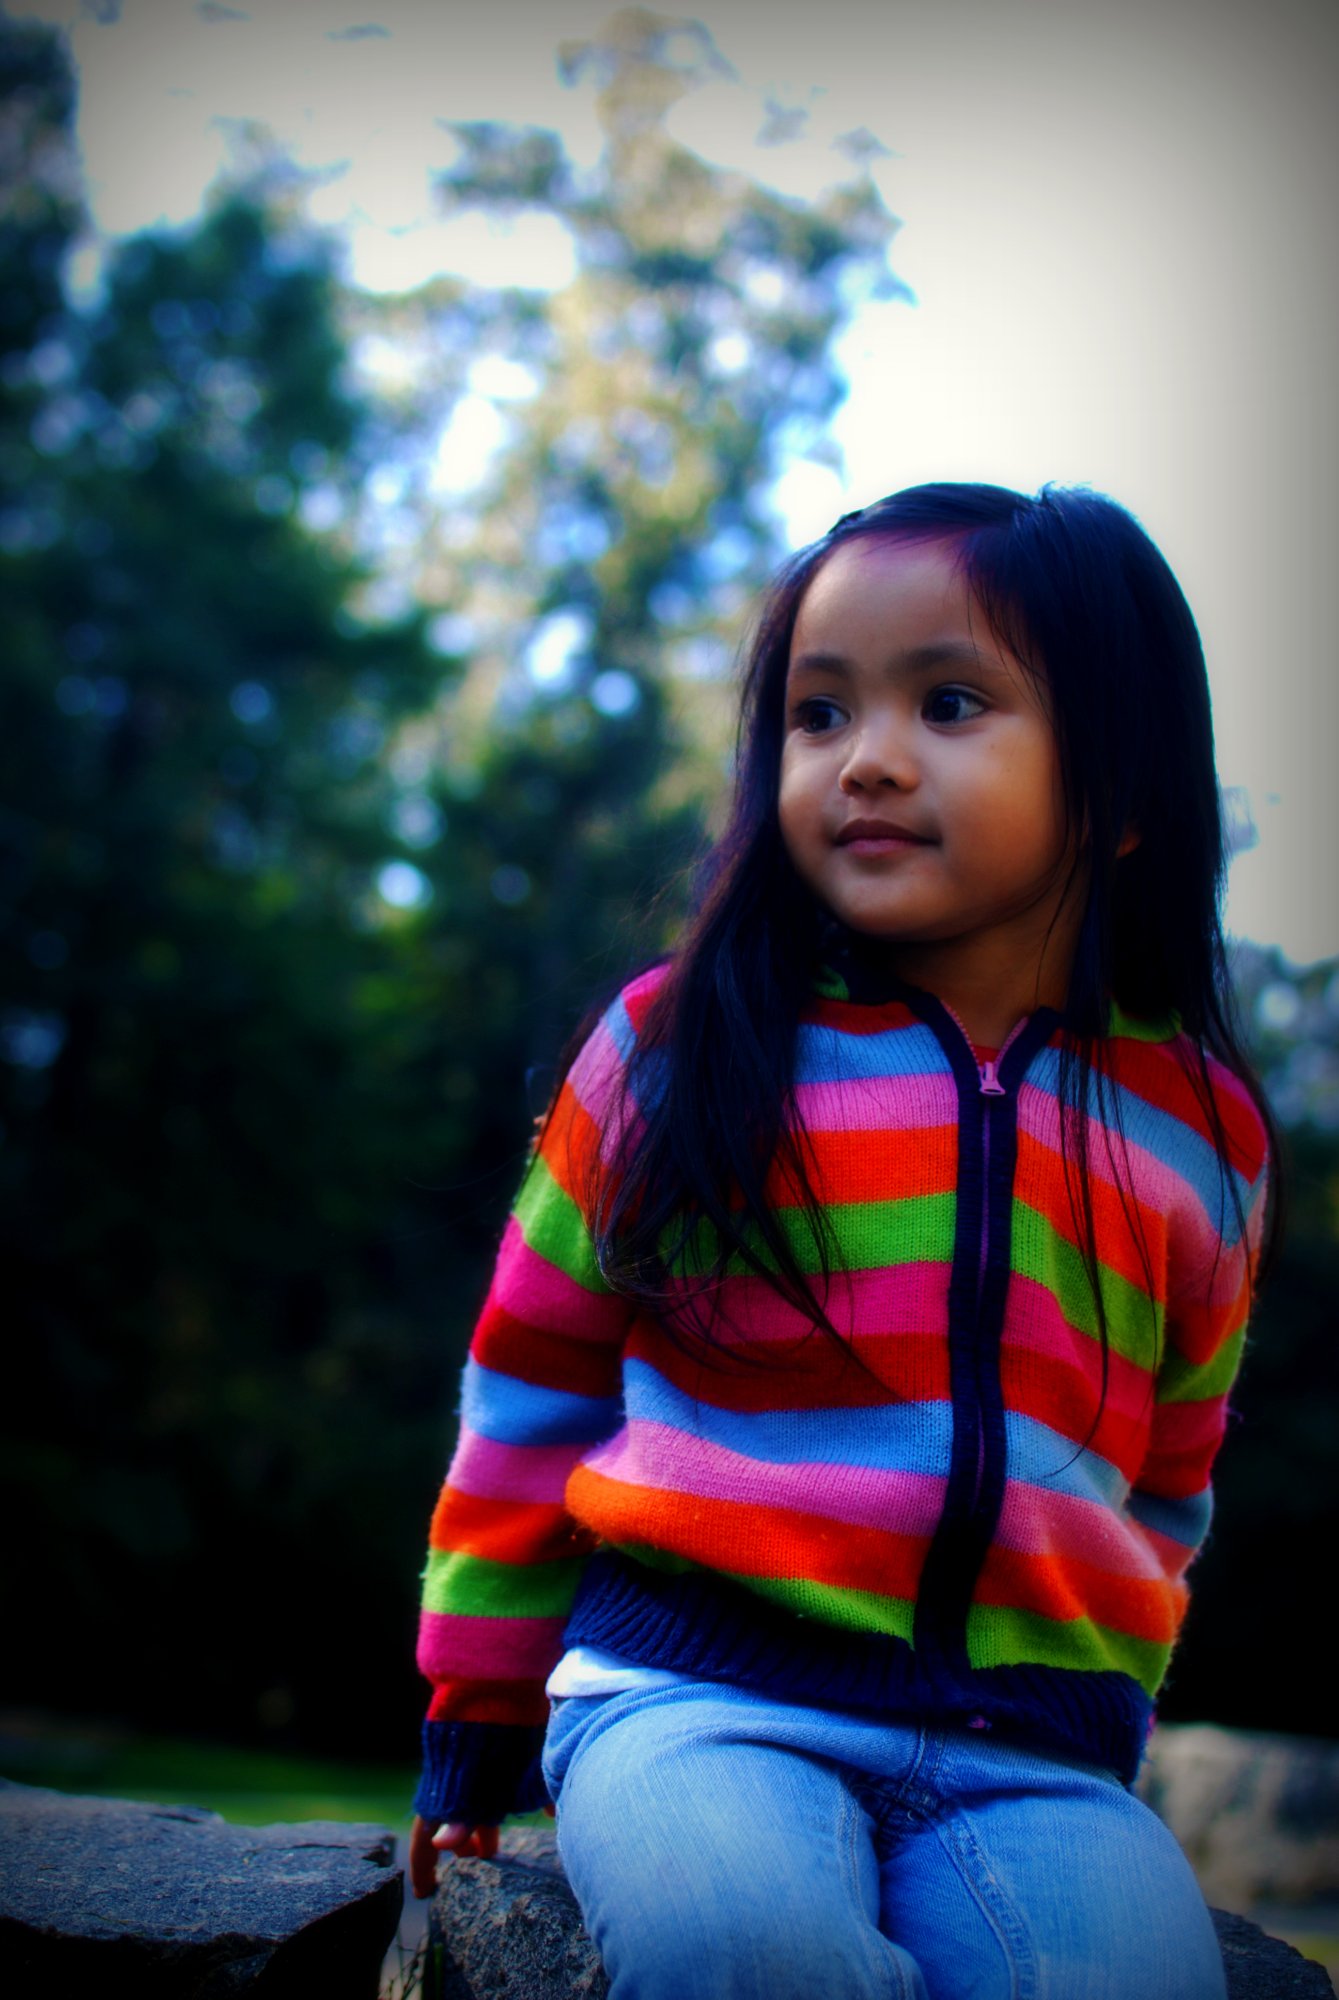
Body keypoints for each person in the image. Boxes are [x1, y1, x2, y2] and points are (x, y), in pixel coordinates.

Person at [407, 483, 1277, 1999]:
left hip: (1034, 1758)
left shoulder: (1197, 1129)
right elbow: (530, 1394)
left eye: (949, 701)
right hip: (695, 1697)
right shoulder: (681, 1048)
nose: (866, 760)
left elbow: (1170, 1478)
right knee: (747, 1957)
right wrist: (474, 1719)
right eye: (819, 714)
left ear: (1126, 783)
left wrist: (1099, 1707)